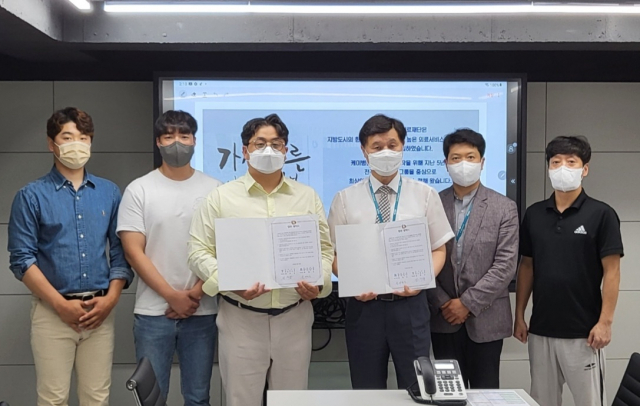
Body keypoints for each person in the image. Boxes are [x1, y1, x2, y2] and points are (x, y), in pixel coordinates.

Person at [187, 113, 334, 406]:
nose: (268, 150)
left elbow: (325, 250)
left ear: (286, 150)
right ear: (245, 151)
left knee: (292, 402)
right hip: (241, 318)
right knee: (241, 400)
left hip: (294, 316)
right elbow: (198, 250)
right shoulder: (220, 198)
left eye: (276, 144)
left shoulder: (307, 196)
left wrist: (319, 284)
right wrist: (229, 281)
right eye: (260, 143)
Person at [8, 107, 133, 406]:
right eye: (67, 137)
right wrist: (60, 305)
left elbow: (120, 252)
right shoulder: (31, 195)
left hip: (100, 312)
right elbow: (22, 259)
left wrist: (111, 299)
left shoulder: (109, 192)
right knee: (53, 399)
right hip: (52, 312)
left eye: (84, 137)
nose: (77, 143)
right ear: (51, 143)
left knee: (97, 398)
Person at [327, 114, 454, 390]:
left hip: (410, 305)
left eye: (392, 145)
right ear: (364, 151)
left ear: (402, 146)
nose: (386, 152)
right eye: (377, 146)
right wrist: (352, 281)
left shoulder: (425, 194)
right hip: (364, 307)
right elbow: (333, 255)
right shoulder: (345, 199)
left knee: (418, 387)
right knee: (366, 387)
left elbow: (438, 249)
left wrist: (421, 280)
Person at [117, 110, 222, 405]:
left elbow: (223, 248)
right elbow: (133, 251)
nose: (177, 142)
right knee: (152, 399)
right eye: (168, 136)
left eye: (184, 136)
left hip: (202, 309)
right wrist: (171, 296)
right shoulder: (139, 189)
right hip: (153, 312)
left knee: (198, 397)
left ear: (194, 141)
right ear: (158, 142)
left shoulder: (215, 189)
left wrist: (196, 293)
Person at [514, 135, 623, 406]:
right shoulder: (534, 214)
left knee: (590, 402)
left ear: (584, 169)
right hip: (541, 330)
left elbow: (612, 272)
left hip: (584, 333)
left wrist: (605, 323)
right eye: (556, 162)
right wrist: (519, 315)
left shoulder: (602, 214)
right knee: (542, 401)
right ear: (549, 168)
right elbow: (527, 266)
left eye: (571, 162)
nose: (562, 167)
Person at [427, 129, 519, 389]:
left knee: (486, 394)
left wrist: (467, 303)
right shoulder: (432, 204)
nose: (463, 164)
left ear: (482, 162)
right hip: (443, 317)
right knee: (448, 394)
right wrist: (444, 303)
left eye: (470, 157)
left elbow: (505, 266)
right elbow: (422, 260)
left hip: (487, 319)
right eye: (456, 158)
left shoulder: (504, 207)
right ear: (446, 163)